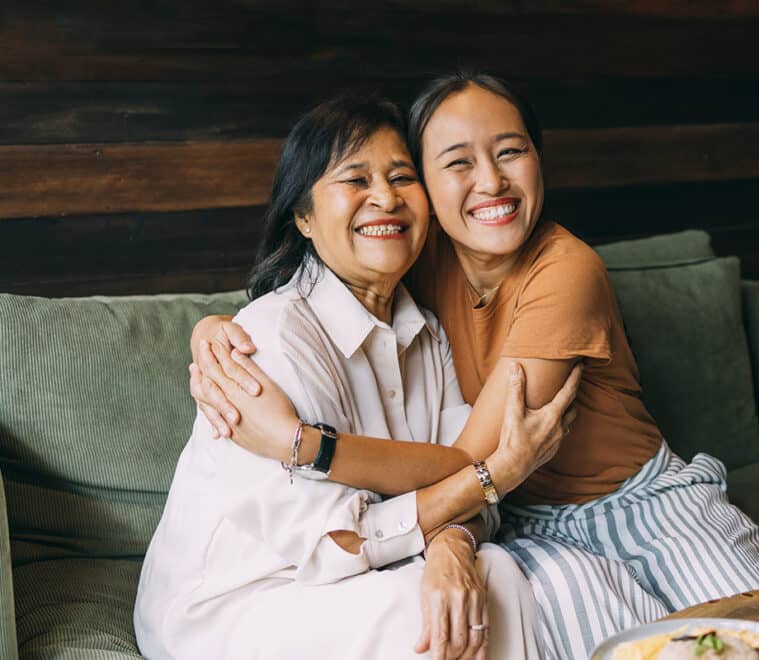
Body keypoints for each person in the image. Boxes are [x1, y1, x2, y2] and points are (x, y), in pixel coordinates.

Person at [190, 73, 759, 660]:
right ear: (430, 186)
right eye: (457, 163)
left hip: (638, 503)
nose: (491, 182)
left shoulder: (565, 270)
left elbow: (472, 460)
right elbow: (325, 279)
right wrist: (212, 330)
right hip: (522, 521)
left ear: (539, 160)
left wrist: (306, 446)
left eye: (511, 152)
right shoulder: (416, 260)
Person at [135, 93, 582, 660]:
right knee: (416, 611)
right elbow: (334, 543)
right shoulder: (267, 341)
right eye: (355, 179)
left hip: (358, 573)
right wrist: (500, 473)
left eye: (401, 176)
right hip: (236, 603)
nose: (385, 198)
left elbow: (464, 486)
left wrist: (452, 545)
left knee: (492, 571)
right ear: (303, 217)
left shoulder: (426, 333)